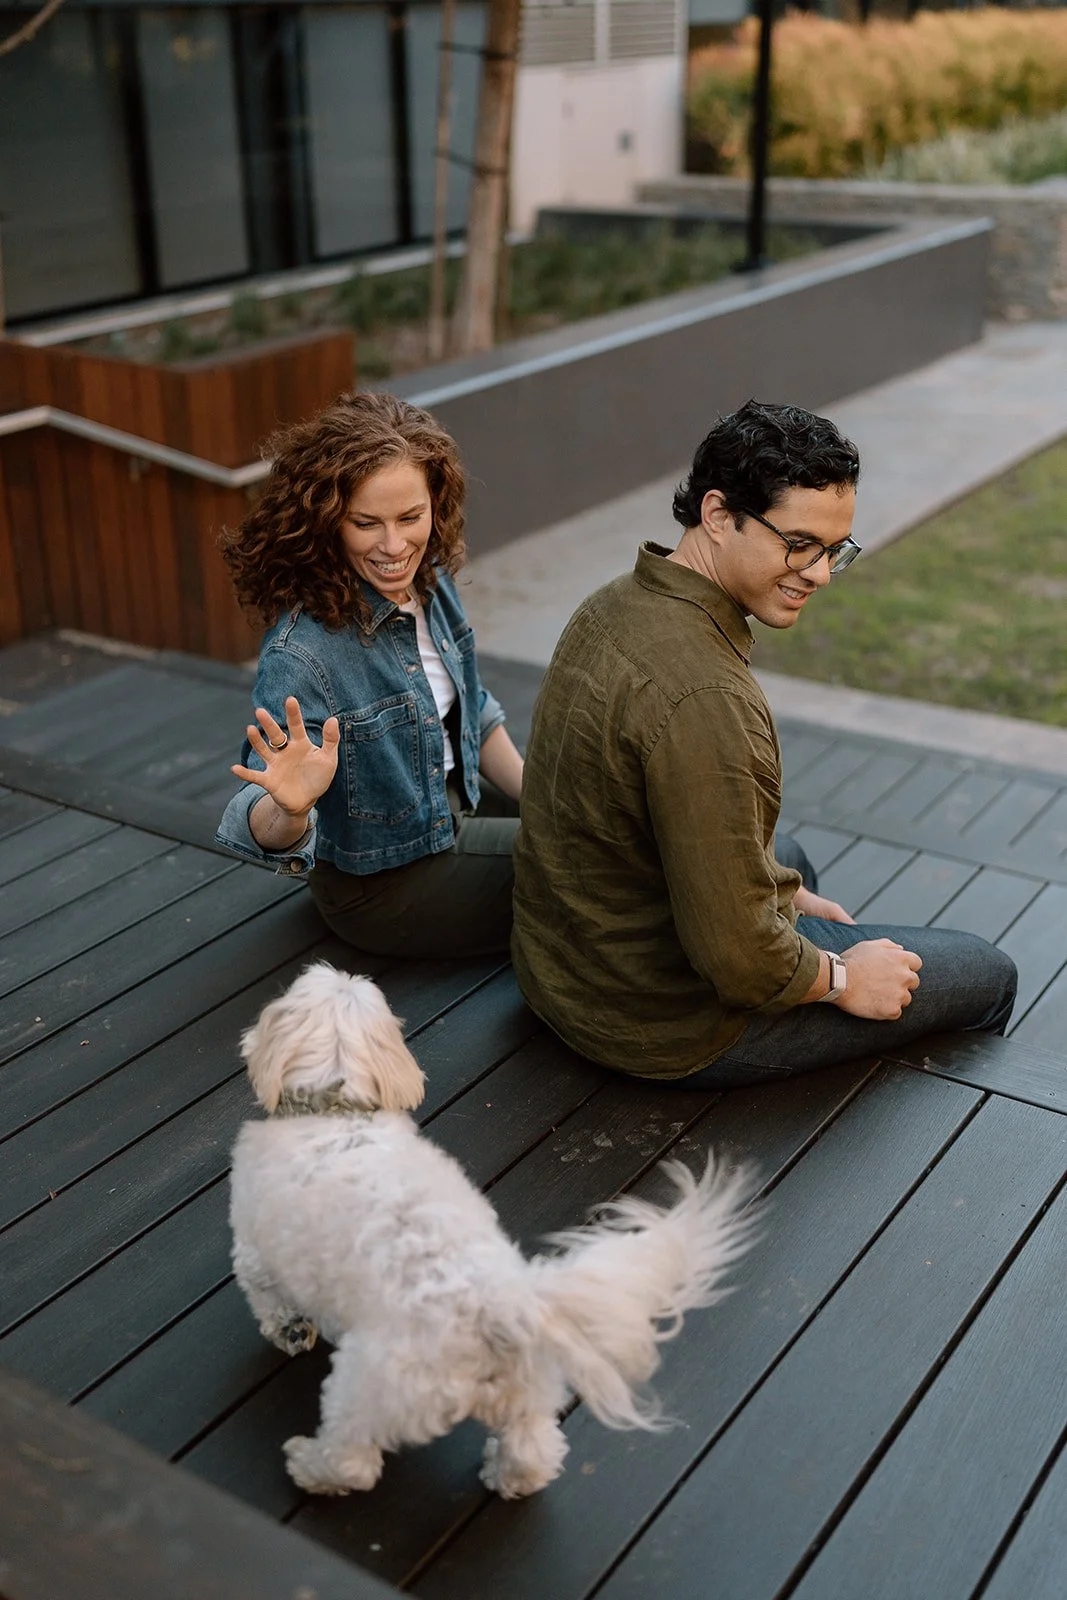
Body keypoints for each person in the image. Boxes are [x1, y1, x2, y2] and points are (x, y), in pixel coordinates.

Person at [511, 400, 1017, 1087]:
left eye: (834, 551)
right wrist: (841, 977)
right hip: (657, 1024)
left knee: (793, 862)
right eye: (798, 543)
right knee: (986, 972)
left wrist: (777, 896)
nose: (816, 573)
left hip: (561, 974)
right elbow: (740, 962)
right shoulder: (705, 699)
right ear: (717, 515)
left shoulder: (612, 602)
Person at [216, 391, 524, 959]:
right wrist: (289, 808)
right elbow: (255, 816)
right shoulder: (301, 653)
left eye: (411, 517)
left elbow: (471, 708)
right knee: (591, 859)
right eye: (366, 523)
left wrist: (541, 795)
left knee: (594, 812)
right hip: (389, 883)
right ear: (327, 520)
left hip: (457, 805)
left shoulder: (430, 581)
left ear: (437, 502)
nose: (394, 546)